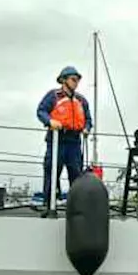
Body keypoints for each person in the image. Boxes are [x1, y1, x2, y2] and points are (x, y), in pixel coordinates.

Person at [36, 66, 91, 211]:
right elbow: (41, 111)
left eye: (78, 80)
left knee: (76, 173)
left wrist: (87, 128)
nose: (76, 82)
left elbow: (88, 119)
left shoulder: (81, 100)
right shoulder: (53, 96)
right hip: (56, 139)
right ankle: (49, 204)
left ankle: (77, 206)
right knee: (52, 170)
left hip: (74, 141)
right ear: (63, 80)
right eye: (73, 79)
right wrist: (50, 122)